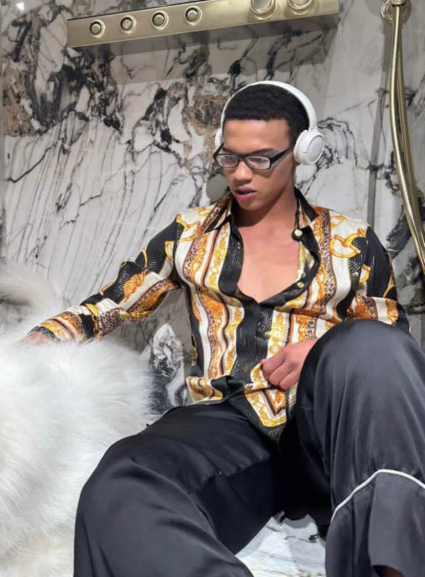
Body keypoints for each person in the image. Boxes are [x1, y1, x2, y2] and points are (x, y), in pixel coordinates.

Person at [26, 81, 425, 577]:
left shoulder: (353, 243)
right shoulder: (190, 235)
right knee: (119, 482)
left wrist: (324, 350)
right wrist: (37, 339)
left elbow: (394, 353)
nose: (240, 174)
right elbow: (112, 303)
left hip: (324, 433)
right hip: (228, 425)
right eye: (229, 157)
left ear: (302, 153)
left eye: (261, 159)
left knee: (370, 347)